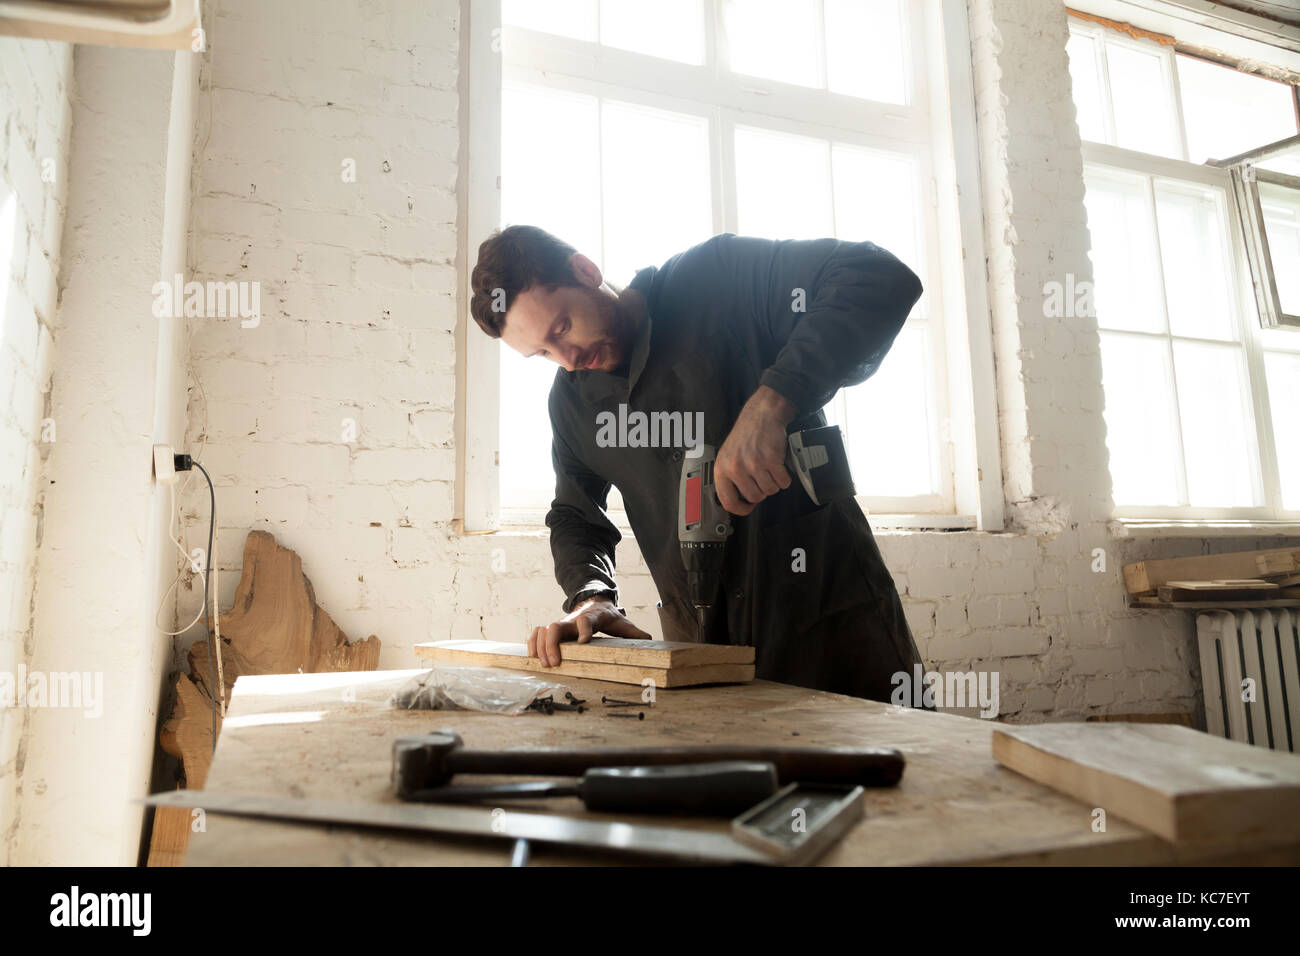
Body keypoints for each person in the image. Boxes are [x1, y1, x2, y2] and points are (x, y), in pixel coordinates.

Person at [470, 225, 927, 703]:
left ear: (585, 271)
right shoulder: (572, 406)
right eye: (543, 352)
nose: (567, 359)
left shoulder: (714, 278)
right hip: (701, 654)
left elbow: (876, 275)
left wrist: (773, 402)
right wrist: (592, 595)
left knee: (898, 772)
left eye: (561, 327)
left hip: (832, 625)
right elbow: (575, 515)